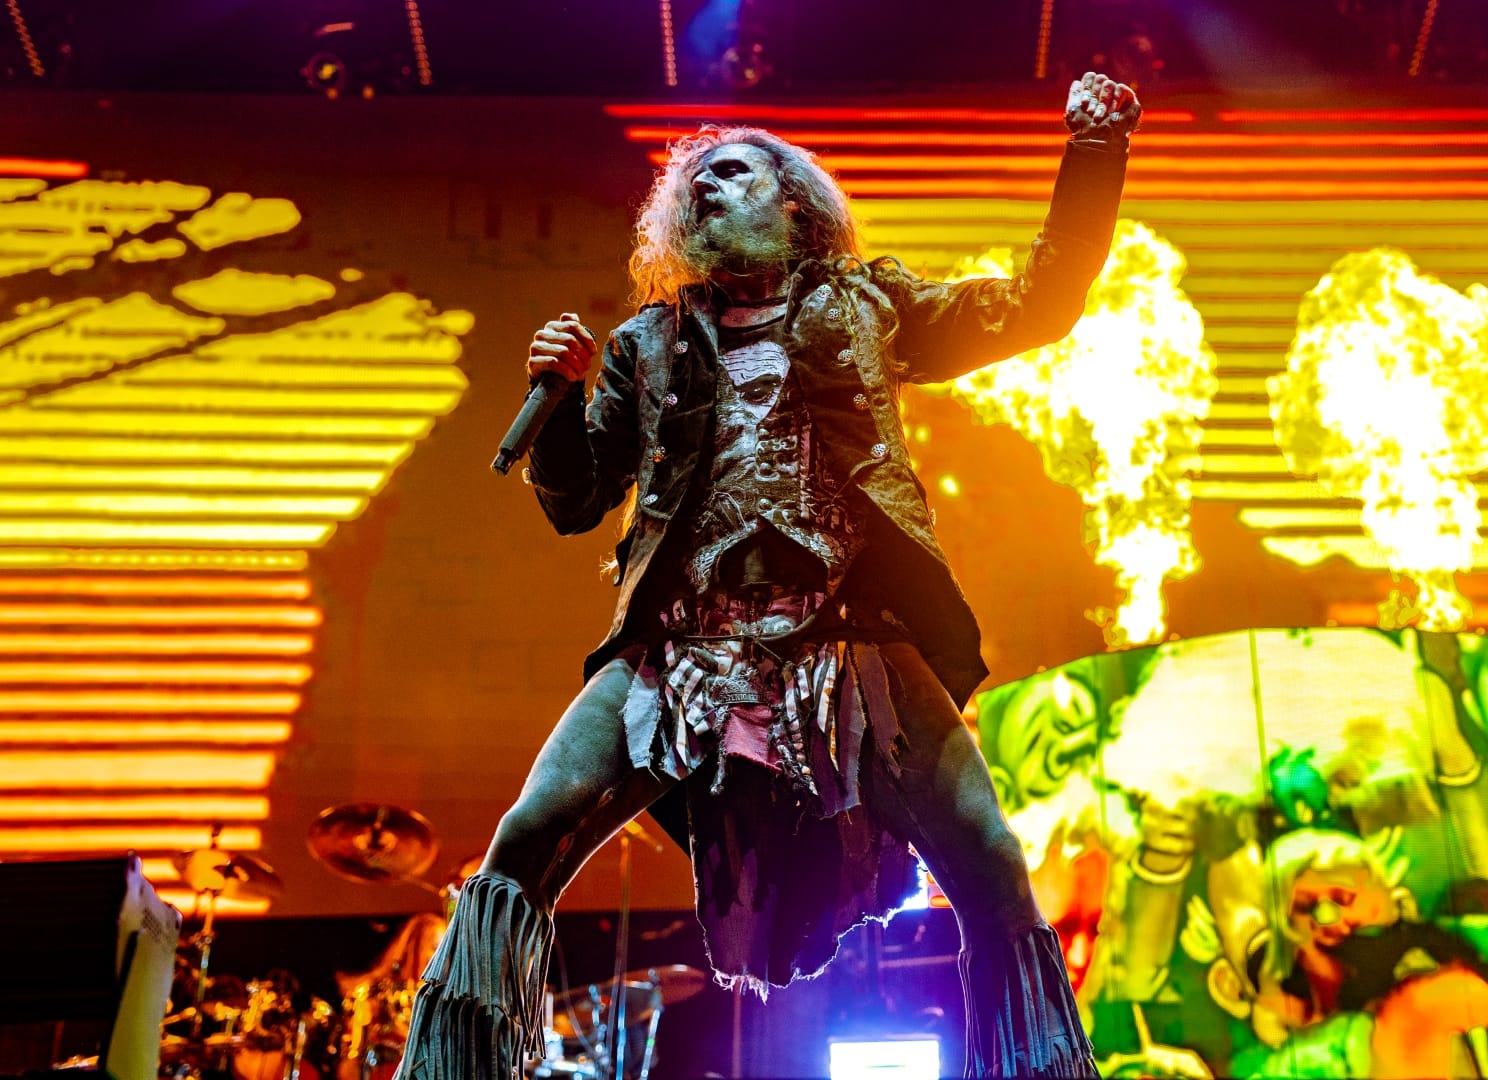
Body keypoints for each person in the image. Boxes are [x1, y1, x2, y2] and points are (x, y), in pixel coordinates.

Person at [402, 72, 1140, 1079]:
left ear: (792, 205)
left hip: (848, 639)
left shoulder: (867, 304)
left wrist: (1094, 153)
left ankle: (1043, 1067)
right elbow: (577, 500)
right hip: (681, 644)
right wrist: (559, 404)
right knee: (527, 835)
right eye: (693, 180)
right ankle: (451, 1066)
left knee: (989, 860)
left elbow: (1036, 305)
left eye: (733, 171)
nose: (705, 185)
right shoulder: (647, 344)